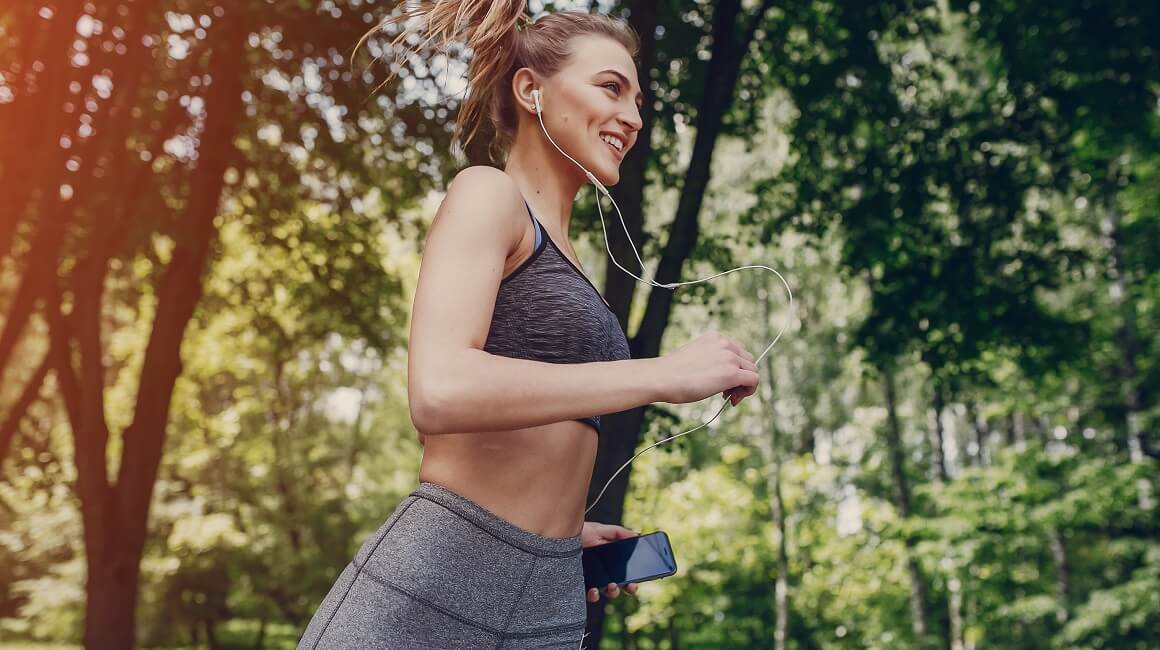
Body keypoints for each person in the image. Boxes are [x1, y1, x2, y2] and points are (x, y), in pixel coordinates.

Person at [297, 2, 759, 648]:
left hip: (549, 595)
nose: (633, 117)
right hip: (439, 581)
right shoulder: (489, 194)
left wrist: (559, 534)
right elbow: (439, 392)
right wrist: (661, 375)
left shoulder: (574, 259)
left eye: (638, 101)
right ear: (530, 89)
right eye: (611, 88)